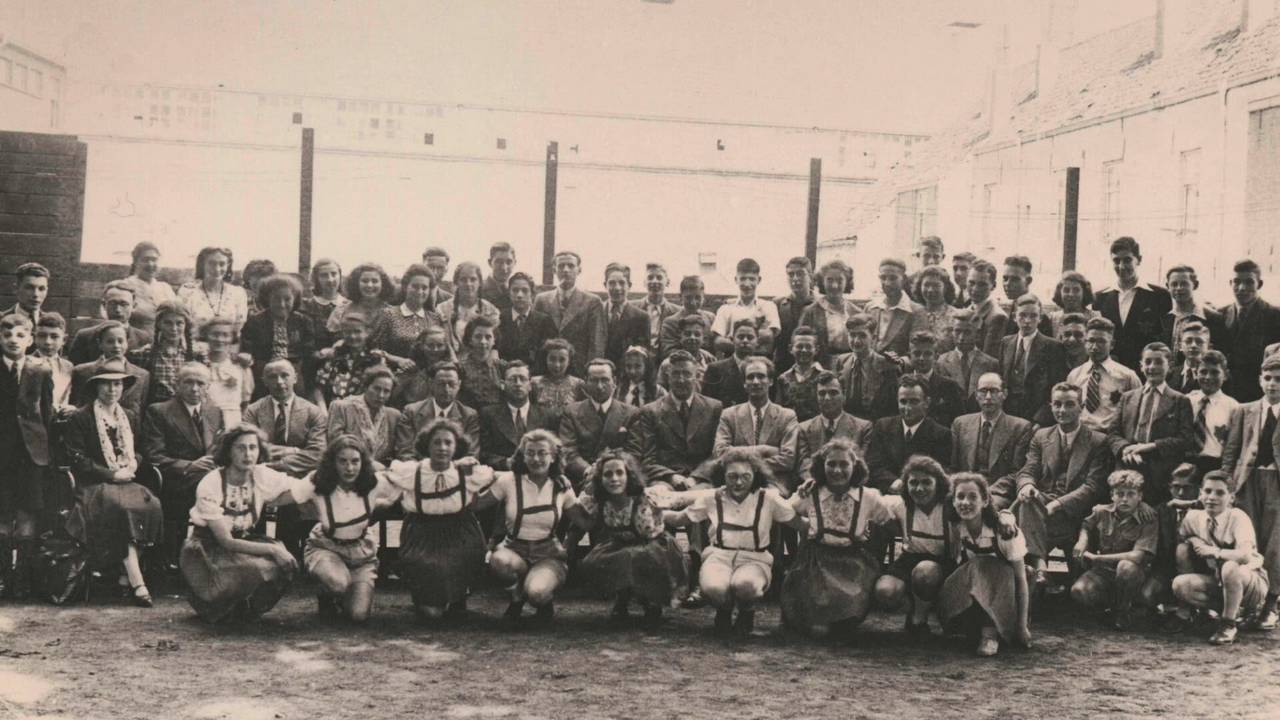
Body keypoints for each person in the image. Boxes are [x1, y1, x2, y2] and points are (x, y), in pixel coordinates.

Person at [663, 448, 808, 636]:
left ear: (755, 475)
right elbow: (678, 519)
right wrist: (652, 510)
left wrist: (825, 523)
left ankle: (746, 611)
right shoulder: (711, 497)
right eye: (732, 476)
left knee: (746, 586)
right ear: (722, 475)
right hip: (719, 556)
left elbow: (799, 523)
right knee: (714, 588)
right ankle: (723, 610)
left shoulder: (769, 498)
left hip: (755, 558)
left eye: (745, 476)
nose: (738, 482)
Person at [180, 424, 313, 623]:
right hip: (209, 549)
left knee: (284, 564)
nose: (248, 454)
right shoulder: (211, 483)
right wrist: (273, 550)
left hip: (243, 542)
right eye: (240, 448)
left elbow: (299, 488)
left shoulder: (261, 475)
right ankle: (216, 606)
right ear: (228, 451)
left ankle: (246, 609)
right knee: (257, 567)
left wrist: (317, 480)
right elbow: (226, 541)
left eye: (253, 447)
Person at [62, 359, 162, 607]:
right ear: (96, 388)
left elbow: (140, 450)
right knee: (121, 509)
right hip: (95, 484)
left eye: (117, 385)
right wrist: (110, 475)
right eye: (106, 385)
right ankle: (137, 582)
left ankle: (125, 576)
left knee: (152, 505)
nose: (112, 390)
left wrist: (133, 464)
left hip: (127, 479)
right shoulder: (82, 417)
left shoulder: (129, 416)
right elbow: (78, 458)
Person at [385, 419, 498, 619]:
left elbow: (499, 478)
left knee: (466, 558)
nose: (442, 448)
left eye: (448, 443)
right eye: (436, 442)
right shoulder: (413, 471)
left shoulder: (466, 471)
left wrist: (555, 473)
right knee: (431, 605)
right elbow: (382, 479)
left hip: (459, 529)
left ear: (457, 447)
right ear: (427, 445)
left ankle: (457, 597)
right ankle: (426, 599)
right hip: (422, 531)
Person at [568, 450, 687, 625]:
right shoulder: (599, 501)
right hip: (619, 544)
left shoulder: (647, 496)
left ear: (629, 475)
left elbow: (682, 499)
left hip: (653, 546)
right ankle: (622, 598)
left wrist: (716, 495)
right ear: (600, 479)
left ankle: (651, 602)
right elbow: (574, 505)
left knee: (642, 558)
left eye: (619, 473)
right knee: (602, 560)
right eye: (607, 474)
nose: (614, 478)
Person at [782, 439, 885, 640]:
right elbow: (782, 511)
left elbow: (890, 518)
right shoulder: (811, 493)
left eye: (844, 464)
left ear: (855, 466)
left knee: (842, 622)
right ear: (822, 466)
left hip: (853, 564)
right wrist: (803, 525)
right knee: (815, 629)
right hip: (815, 562)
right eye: (831, 464)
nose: (837, 470)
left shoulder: (869, 497)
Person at [474, 429, 580, 625]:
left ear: (553, 456)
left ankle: (542, 599)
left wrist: (597, 491)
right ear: (522, 456)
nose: (536, 459)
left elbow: (583, 519)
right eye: (530, 453)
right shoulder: (508, 481)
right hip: (514, 550)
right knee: (498, 560)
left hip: (548, 553)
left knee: (538, 593)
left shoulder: (561, 485)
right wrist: (468, 478)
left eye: (542, 453)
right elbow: (476, 504)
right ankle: (516, 596)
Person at [1014, 383, 1112, 586]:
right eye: (1057, 404)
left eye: (1069, 404)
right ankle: (1041, 567)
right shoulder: (1041, 436)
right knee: (1027, 499)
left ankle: (1036, 567)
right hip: (1041, 504)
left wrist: (1058, 504)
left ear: (1082, 406)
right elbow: (1028, 470)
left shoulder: (1098, 441)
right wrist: (1026, 485)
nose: (1062, 410)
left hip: (1075, 510)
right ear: (1050, 405)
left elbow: (1092, 487)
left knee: (1027, 509)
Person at [302, 435, 402, 622]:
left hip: (361, 552)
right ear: (333, 462)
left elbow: (404, 480)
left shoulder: (374, 482)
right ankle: (326, 592)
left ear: (362, 462)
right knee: (338, 583)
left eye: (355, 461)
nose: (349, 468)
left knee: (358, 615)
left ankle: (348, 593)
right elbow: (289, 492)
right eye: (343, 461)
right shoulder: (319, 482)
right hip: (327, 545)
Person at [936, 473, 1032, 657]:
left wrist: (1022, 627)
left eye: (973, 497)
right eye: (960, 497)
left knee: (987, 566)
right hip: (976, 592)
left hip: (1006, 591)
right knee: (972, 570)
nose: (965, 502)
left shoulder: (1004, 531)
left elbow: (1021, 579)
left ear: (985, 501)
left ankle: (991, 634)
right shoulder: (955, 527)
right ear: (953, 501)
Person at [1171, 470, 1270, 645]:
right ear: (1200, 493)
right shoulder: (1194, 517)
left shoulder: (1238, 517)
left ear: (1231, 497)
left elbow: (1245, 556)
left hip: (1250, 583)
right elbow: (1182, 538)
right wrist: (1194, 540)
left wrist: (1214, 551)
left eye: (1220, 493)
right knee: (1181, 582)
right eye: (1207, 491)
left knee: (1230, 567)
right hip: (1218, 581)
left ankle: (1228, 625)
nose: (1212, 497)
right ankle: (1198, 613)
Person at [142, 362, 224, 570]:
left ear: (208, 386)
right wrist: (190, 466)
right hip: (175, 479)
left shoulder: (214, 411)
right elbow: (154, 455)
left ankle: (223, 554)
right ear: (177, 384)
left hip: (209, 476)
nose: (195, 389)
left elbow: (218, 448)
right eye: (188, 383)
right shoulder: (159, 411)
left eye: (200, 383)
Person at [1220, 354, 1280, 629]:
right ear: (1259, 380)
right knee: (1249, 540)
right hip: (1248, 481)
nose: (1273, 385)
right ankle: (1246, 602)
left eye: (1278, 380)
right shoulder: (1245, 411)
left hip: (1275, 483)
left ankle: (1271, 604)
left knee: (1275, 543)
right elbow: (1231, 452)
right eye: (1268, 379)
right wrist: (1229, 485)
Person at [0, 314, 53, 597]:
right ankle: (2, 577)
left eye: (20, 335)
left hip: (31, 456)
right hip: (1, 457)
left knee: (28, 515)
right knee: (2, 517)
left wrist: (47, 453)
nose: (12, 339)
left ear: (30, 340)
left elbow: (47, 415)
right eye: (6, 333)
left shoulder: (40, 371)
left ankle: (23, 581)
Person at [875, 456, 955, 637]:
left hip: (943, 564)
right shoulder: (901, 504)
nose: (919, 489)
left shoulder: (950, 506)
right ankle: (915, 603)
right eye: (913, 483)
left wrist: (1006, 516)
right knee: (885, 592)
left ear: (939, 483)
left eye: (927, 482)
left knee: (926, 572)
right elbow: (867, 499)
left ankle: (919, 619)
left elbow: (984, 509)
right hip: (910, 560)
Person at [1106, 342, 1195, 506]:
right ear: (1141, 366)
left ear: (1170, 365)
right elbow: (1113, 432)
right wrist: (1125, 448)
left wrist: (1151, 446)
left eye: (1159, 362)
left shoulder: (1180, 400)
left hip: (1160, 472)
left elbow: (1186, 439)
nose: (1152, 367)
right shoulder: (1127, 397)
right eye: (1148, 362)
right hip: (1127, 467)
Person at [1070, 470, 1161, 630]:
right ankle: (1107, 608)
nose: (1125, 499)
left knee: (1126, 567)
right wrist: (1082, 540)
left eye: (1131, 494)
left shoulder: (1148, 518)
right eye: (1120, 494)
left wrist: (1097, 559)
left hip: (1134, 573)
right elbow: (1086, 525)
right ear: (1112, 495)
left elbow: (1137, 556)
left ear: (1140, 496)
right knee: (1079, 591)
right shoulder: (1101, 512)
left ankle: (1123, 610)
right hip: (1103, 572)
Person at [713, 356, 799, 494]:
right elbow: (720, 452)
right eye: (750, 377)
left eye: (761, 376)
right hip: (736, 481)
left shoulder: (787, 416)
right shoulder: (729, 415)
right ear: (744, 383)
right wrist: (765, 449)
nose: (756, 381)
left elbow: (788, 459)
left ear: (770, 381)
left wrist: (739, 455)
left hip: (773, 481)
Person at [951, 373, 1034, 508]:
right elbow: (954, 467)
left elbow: (1017, 472)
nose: (988, 397)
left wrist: (985, 493)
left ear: (1004, 394)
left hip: (997, 494)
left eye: (994, 391)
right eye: (983, 391)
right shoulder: (961, 424)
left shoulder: (1020, 427)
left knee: (986, 508)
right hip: (963, 490)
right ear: (976, 395)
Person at [1093, 237, 1173, 371]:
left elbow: (1166, 337)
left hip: (1147, 371)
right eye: (1116, 261)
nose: (1122, 266)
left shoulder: (1159, 296)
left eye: (1127, 260)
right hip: (1110, 371)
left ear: (1139, 260)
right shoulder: (1100, 298)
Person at [558, 359, 637, 488]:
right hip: (582, 479)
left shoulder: (630, 413)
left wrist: (611, 472)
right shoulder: (571, 412)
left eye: (605, 380)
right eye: (594, 380)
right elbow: (568, 451)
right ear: (586, 382)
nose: (600, 386)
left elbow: (634, 451)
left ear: (614, 382)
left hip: (620, 480)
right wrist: (589, 471)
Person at [865, 375, 952, 491]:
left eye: (914, 401)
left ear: (927, 402)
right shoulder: (883, 427)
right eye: (903, 402)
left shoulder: (940, 434)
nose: (907, 408)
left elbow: (940, 473)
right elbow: (873, 464)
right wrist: (893, 482)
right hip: (886, 493)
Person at [240, 274, 317, 400]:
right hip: (264, 368)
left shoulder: (303, 321)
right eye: (276, 299)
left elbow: (308, 351)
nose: (281, 304)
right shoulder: (256, 322)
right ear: (267, 299)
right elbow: (247, 346)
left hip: (293, 368)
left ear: (295, 299)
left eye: (287, 299)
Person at [533, 251, 606, 377]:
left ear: (579, 270)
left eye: (571, 266)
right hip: (548, 369)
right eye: (561, 266)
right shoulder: (541, 300)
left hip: (579, 369)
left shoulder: (592, 301)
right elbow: (535, 338)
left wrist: (591, 371)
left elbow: (597, 342)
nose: (566, 270)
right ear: (554, 270)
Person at [794, 371, 873, 482]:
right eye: (822, 393)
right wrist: (814, 483)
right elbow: (804, 464)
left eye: (833, 393)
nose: (827, 398)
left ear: (844, 394)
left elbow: (861, 464)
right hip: (816, 487)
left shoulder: (864, 428)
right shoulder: (804, 429)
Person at [394, 361, 480, 461]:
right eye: (441, 384)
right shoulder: (412, 411)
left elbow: (470, 455)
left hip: (455, 472)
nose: (447, 389)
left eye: (451, 384)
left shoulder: (469, 415)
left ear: (459, 385)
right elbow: (405, 452)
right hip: (418, 470)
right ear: (431, 384)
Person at [1067, 317, 1141, 433]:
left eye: (1101, 341)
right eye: (1091, 341)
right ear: (1085, 343)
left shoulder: (1127, 376)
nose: (1095, 347)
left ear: (1112, 344)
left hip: (1110, 437)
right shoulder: (1074, 375)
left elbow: (1137, 412)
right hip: (1081, 435)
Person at [1000, 295, 1067, 423]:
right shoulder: (1006, 342)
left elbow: (1055, 388)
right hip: (1008, 415)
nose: (1027, 321)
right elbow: (1002, 380)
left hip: (1035, 416)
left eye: (1033, 316)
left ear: (1040, 318)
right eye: (1022, 315)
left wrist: (1039, 421)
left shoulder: (1053, 347)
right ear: (1014, 317)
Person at [1221, 259, 1280, 402]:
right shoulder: (1219, 315)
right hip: (1225, 395)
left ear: (1259, 284)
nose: (1241, 287)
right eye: (1236, 281)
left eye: (1249, 282)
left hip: (1259, 396)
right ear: (1230, 283)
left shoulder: (1275, 316)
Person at [129, 301, 206, 406]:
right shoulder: (143, 355)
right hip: (154, 413)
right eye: (168, 323)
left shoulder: (197, 355)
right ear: (159, 324)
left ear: (186, 325)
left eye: (179, 323)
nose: (173, 329)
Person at [480, 362, 552, 471]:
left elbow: (554, 450)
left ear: (530, 386)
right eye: (513, 379)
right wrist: (505, 463)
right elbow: (484, 453)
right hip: (501, 475)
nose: (518, 384)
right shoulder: (489, 414)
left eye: (522, 379)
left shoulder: (547, 415)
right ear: (503, 385)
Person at [70, 321, 151, 417]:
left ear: (127, 342)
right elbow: (77, 405)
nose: (116, 346)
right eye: (110, 341)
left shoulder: (142, 375)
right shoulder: (82, 372)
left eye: (120, 341)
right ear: (100, 344)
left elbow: (141, 410)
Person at [313, 312, 394, 408]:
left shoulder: (376, 359)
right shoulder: (334, 355)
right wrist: (323, 411)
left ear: (367, 332)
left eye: (357, 331)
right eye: (348, 332)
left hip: (361, 410)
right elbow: (319, 388)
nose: (352, 336)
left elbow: (378, 391)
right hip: (333, 408)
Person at [327, 366, 401, 468]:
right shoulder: (342, 407)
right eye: (376, 388)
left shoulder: (393, 416)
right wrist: (370, 464)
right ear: (365, 386)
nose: (381, 395)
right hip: (346, 469)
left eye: (386, 391)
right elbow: (336, 446)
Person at [67, 281, 152, 365]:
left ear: (134, 306)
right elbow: (75, 372)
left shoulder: (144, 338)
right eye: (112, 304)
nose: (118, 310)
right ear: (104, 305)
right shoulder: (85, 336)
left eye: (124, 304)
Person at [371, 263, 443, 363]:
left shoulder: (435, 318)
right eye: (415, 286)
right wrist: (397, 360)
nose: (420, 291)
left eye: (424, 287)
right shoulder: (389, 315)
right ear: (405, 287)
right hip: (394, 375)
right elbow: (374, 350)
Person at [835, 313, 900, 421]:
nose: (856, 341)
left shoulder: (886, 366)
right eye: (852, 335)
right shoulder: (842, 361)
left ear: (873, 338)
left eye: (862, 335)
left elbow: (893, 409)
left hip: (876, 426)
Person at [710, 258, 780, 357]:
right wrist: (752, 342)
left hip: (759, 360)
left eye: (752, 279)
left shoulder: (768, 306)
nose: (747, 284)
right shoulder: (725, 309)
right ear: (736, 280)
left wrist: (734, 340)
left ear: (758, 280)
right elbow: (718, 342)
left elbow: (768, 336)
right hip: (732, 360)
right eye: (743, 279)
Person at [797, 259, 859, 366]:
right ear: (822, 282)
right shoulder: (810, 312)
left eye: (840, 280)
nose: (834, 285)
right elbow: (801, 343)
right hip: (820, 365)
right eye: (829, 280)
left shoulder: (856, 312)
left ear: (847, 282)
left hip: (851, 366)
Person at [1186, 350, 1237, 477]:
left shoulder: (1233, 407)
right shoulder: (1186, 401)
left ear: (1225, 375)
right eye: (1203, 372)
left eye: (1215, 372)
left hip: (1214, 464)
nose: (1208, 377)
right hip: (1185, 462)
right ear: (1196, 374)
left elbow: (1233, 445)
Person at [177, 247, 249, 336]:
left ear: (228, 265)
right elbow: (180, 325)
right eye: (211, 263)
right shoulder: (187, 292)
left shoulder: (238, 294)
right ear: (202, 264)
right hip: (194, 346)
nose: (217, 269)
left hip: (228, 347)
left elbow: (238, 329)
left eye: (222, 264)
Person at [936, 308, 999, 404]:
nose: (961, 338)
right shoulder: (942, 361)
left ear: (977, 334)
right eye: (957, 331)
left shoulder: (991, 364)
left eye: (967, 332)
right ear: (952, 332)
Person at [438, 262, 501, 357]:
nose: (468, 284)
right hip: (451, 361)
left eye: (473, 279)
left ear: (480, 282)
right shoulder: (443, 309)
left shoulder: (491, 310)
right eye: (463, 280)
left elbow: (493, 345)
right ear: (456, 282)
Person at [496, 272, 556, 371]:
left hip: (534, 374)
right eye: (515, 290)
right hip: (504, 373)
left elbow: (548, 354)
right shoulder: (499, 318)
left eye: (525, 291)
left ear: (532, 294)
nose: (519, 295)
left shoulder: (544, 321)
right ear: (509, 293)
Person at [864, 258, 921, 360]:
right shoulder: (870, 308)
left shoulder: (915, 311)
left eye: (893, 278)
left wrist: (901, 361)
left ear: (903, 279)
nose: (887, 283)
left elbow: (918, 350)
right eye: (883, 278)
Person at [201, 317, 253, 427]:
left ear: (232, 338)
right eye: (214, 334)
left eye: (225, 335)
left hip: (232, 421)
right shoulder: (199, 364)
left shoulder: (241, 367)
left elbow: (245, 402)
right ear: (206, 336)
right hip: (204, 420)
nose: (219, 339)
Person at [324, 263, 395, 343]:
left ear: (383, 284)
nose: (369, 285)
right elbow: (328, 341)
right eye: (364, 281)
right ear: (356, 283)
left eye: (375, 281)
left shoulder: (392, 314)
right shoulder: (341, 311)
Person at [1162, 265, 1226, 353]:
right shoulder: (1165, 318)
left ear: (1195, 285)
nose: (1179, 288)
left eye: (1184, 284)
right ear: (1167, 286)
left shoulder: (1213, 318)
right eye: (1174, 284)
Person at [906, 331, 964, 427]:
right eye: (917, 353)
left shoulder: (949, 386)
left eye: (927, 354)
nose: (921, 358)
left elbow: (959, 422)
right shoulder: (901, 384)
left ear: (936, 357)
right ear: (909, 356)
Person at [119, 241, 178, 336]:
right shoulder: (125, 286)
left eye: (154, 260)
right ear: (135, 262)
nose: (150, 264)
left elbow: (178, 314)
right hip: (136, 338)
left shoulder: (165, 288)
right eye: (145, 260)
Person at [390, 326, 454, 409]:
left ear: (446, 347)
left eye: (440, 345)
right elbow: (392, 396)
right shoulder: (412, 367)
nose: (435, 349)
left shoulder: (451, 371)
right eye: (430, 345)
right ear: (421, 346)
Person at [772, 257, 816, 373]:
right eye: (791, 275)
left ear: (810, 276)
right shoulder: (777, 304)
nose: (795, 279)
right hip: (782, 368)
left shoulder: (820, 305)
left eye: (800, 274)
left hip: (813, 367)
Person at [701, 319, 758, 407]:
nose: (745, 341)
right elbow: (706, 404)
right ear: (732, 340)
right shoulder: (715, 369)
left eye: (750, 337)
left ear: (757, 341)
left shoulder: (765, 369)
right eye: (740, 337)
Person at [630, 262, 682, 357]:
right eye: (650, 278)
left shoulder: (677, 312)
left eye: (659, 277)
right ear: (644, 283)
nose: (654, 281)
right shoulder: (631, 308)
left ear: (667, 282)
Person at [602, 263, 650, 367]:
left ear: (629, 285)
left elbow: (642, 352)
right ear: (605, 285)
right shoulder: (596, 312)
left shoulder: (641, 317)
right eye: (612, 283)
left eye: (622, 283)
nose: (617, 288)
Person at [530, 338, 584, 427]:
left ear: (569, 361)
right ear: (546, 359)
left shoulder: (578, 384)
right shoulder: (534, 383)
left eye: (562, 360)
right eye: (552, 359)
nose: (557, 365)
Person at [658, 275, 716, 359]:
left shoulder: (711, 318)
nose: (693, 302)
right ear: (680, 297)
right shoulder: (670, 322)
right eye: (688, 298)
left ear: (703, 297)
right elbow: (668, 351)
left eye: (698, 297)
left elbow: (715, 349)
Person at [998, 255, 1054, 337]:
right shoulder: (1012, 308)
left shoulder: (1038, 315)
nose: (1008, 284)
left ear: (1028, 281)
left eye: (1015, 279)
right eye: (1005, 279)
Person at [774, 326, 821, 422]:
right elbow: (778, 410)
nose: (804, 350)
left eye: (808, 346)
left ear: (816, 349)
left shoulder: (825, 377)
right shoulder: (783, 379)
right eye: (799, 346)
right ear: (791, 349)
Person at [299, 258, 349, 349]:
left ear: (340, 276)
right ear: (316, 279)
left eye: (334, 274)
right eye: (324, 275)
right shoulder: (306, 306)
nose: (330, 279)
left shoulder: (350, 306)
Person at [656, 315, 716, 389]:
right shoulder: (668, 363)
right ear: (681, 337)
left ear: (703, 338)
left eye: (697, 334)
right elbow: (661, 391)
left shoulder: (710, 360)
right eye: (687, 334)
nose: (692, 337)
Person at [911, 266, 959, 354]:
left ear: (946, 288)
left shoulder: (956, 316)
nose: (930, 290)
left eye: (936, 285)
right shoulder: (913, 314)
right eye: (926, 285)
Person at [30, 313, 73, 410]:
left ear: (64, 340)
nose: (47, 342)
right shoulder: (25, 364)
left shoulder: (68, 366)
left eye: (54, 336)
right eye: (42, 336)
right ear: (34, 338)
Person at [966, 260, 1008, 358]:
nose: (975, 289)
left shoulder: (997, 317)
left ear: (993, 286)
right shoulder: (967, 309)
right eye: (971, 283)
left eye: (982, 284)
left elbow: (987, 359)